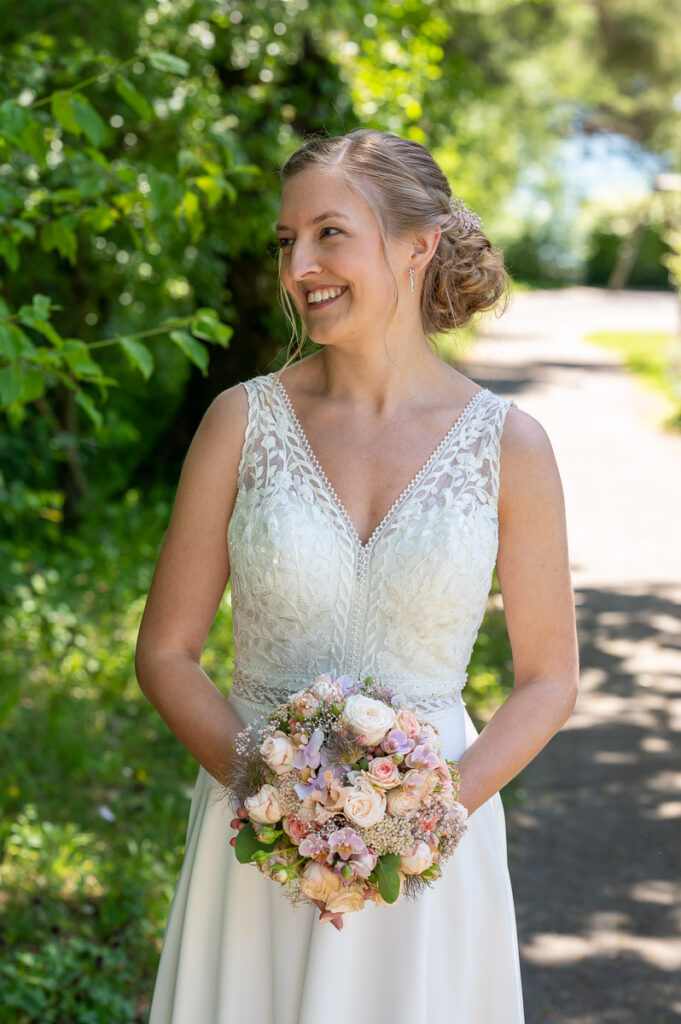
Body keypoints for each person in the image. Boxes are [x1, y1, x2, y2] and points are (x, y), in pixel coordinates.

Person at [135, 128, 579, 1023]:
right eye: (285, 241)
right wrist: (274, 796)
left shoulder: (509, 446)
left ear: (418, 245)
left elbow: (548, 680)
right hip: (257, 844)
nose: (300, 263)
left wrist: (417, 818)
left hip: (427, 857)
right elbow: (167, 652)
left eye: (329, 232)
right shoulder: (239, 421)